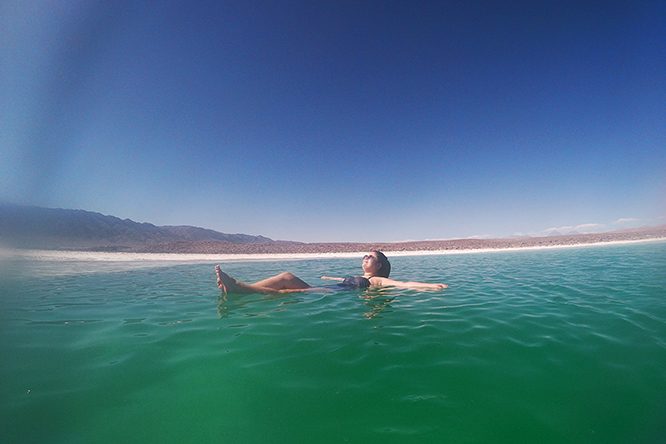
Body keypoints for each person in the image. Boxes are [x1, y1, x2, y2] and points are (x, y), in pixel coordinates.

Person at [214, 250, 447, 295]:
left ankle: (239, 287)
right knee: (286, 285)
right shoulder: (361, 277)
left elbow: (402, 284)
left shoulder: (377, 280)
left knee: (287, 280)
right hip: (331, 287)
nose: (366, 257)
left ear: (378, 267)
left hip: (330, 294)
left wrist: (430, 286)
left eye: (371, 257)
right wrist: (330, 277)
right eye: (365, 255)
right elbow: (344, 280)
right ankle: (239, 288)